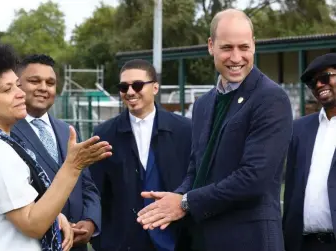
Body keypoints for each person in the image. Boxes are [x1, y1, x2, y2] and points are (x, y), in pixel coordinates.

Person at [136, 8, 293, 251]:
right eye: (227, 47)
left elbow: (254, 178)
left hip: (250, 241)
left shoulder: (271, 98)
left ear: (254, 45)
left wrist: (185, 203)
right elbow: (196, 170)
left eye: (244, 47)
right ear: (211, 46)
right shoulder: (203, 104)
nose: (236, 57)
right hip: (202, 239)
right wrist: (172, 200)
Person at [0, 40, 112, 251]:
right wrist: (73, 166)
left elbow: (25, 208)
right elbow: (33, 224)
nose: (20, 94)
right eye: (7, 89)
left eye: (17, 86)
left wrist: (56, 216)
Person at [89, 59, 192, 251]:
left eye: (137, 85)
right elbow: (95, 190)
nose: (129, 92)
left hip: (175, 239)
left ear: (155, 87)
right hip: (123, 242)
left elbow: (194, 179)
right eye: (123, 87)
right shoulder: (104, 133)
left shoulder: (185, 130)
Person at [12, 54, 101, 251]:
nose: (43, 87)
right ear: (17, 85)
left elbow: (86, 185)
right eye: (35, 81)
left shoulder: (66, 130)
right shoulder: (6, 133)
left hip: (76, 245)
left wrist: (90, 221)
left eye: (50, 82)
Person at [283, 53, 336, 251]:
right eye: (313, 83)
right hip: (303, 244)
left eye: (325, 77)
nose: (319, 85)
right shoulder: (300, 129)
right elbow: (290, 190)